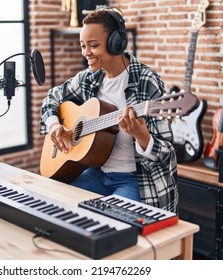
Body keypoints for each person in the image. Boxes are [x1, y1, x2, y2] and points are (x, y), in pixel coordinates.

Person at [39, 7, 178, 212]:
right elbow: (52, 97)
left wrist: (143, 137)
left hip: (135, 180)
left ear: (116, 43)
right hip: (97, 173)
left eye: (93, 45)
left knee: (107, 220)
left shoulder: (146, 81)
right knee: (50, 202)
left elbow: (167, 151)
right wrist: (53, 125)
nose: (86, 53)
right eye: (83, 45)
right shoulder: (90, 78)